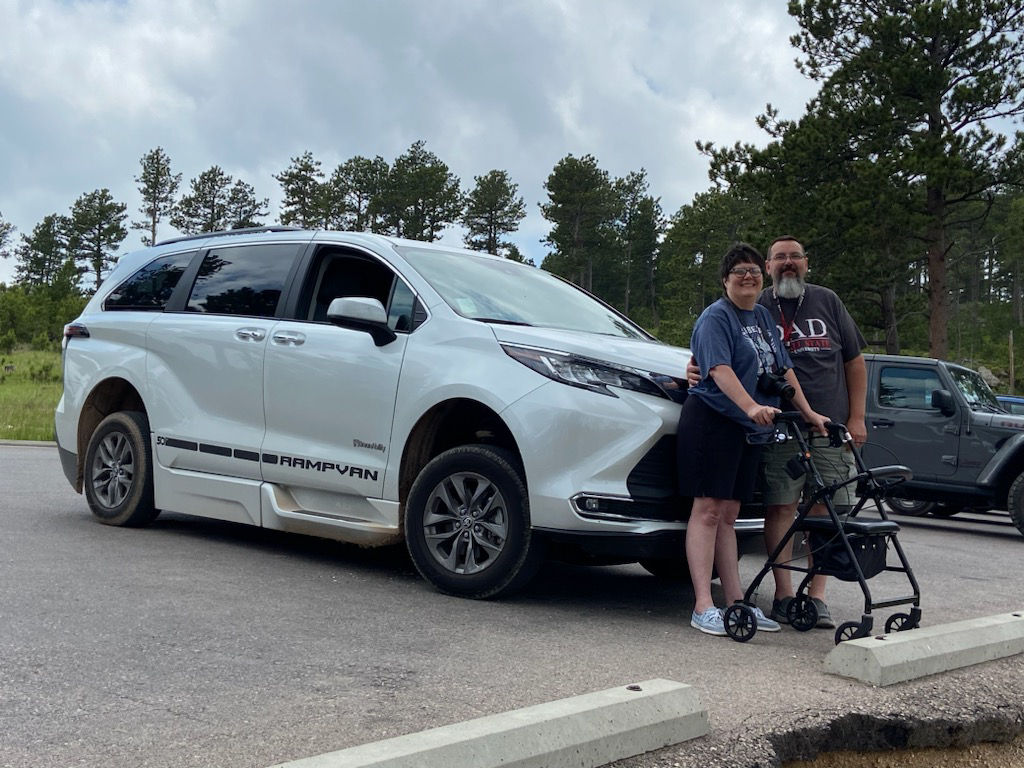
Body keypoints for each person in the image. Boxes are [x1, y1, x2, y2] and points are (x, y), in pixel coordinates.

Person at [687, 235, 867, 629]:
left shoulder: (781, 312)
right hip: (730, 423)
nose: (749, 276)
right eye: (742, 271)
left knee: (739, 513)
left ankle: (760, 601)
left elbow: (790, 370)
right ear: (726, 279)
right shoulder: (727, 312)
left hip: (767, 427)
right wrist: (746, 403)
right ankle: (719, 603)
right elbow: (716, 366)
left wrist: (820, 413)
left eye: (753, 270)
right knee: (724, 510)